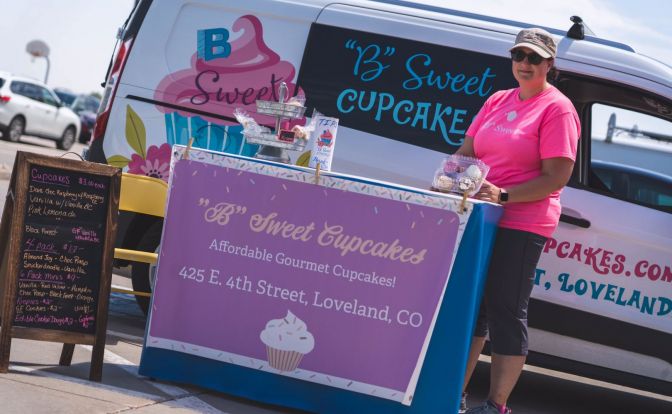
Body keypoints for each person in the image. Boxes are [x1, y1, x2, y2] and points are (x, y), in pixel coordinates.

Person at [456, 28, 581, 414]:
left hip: (522, 222)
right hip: (481, 217)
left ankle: (495, 405)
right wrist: (450, 178)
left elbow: (556, 177)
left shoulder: (558, 109)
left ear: (549, 64)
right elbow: (466, 152)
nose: (525, 64)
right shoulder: (497, 99)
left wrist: (503, 196)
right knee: (471, 309)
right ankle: (453, 394)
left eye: (534, 58)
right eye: (519, 56)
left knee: (505, 312)